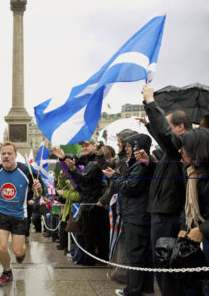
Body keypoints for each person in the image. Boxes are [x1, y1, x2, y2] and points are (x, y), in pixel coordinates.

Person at [142, 83, 192, 296]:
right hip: (162, 211)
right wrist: (150, 164)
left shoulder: (183, 145)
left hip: (169, 214)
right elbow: (162, 135)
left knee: (166, 265)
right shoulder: (173, 151)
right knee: (162, 263)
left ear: (180, 127)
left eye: (170, 126)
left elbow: (164, 134)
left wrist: (151, 102)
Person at [0, 141, 41, 286]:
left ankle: (22, 252)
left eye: (9, 153)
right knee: (1, 247)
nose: (6, 156)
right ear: (0, 155)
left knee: (17, 251)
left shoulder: (26, 170)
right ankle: (6, 271)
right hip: (1, 214)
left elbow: (39, 192)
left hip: (20, 215)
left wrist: (37, 188)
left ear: (15, 155)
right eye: (3, 153)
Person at [103, 133, 154, 296]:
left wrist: (115, 177)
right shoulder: (137, 164)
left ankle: (132, 290)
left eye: (129, 146)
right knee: (142, 254)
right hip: (137, 213)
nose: (126, 149)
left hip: (136, 214)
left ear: (138, 147)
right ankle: (145, 287)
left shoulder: (139, 166)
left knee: (135, 254)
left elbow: (130, 187)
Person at [52, 139, 110, 265]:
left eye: (86, 145)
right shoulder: (88, 158)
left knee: (93, 234)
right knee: (92, 233)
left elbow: (82, 182)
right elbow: (76, 158)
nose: (83, 147)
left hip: (94, 203)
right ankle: (98, 259)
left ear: (95, 146)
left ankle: (92, 261)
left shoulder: (95, 163)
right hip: (90, 201)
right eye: (82, 146)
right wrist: (63, 156)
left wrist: (72, 169)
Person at [178, 128, 209, 294]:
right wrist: (185, 227)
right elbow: (187, 205)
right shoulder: (191, 172)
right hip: (196, 237)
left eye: (185, 146)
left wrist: (203, 230)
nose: (181, 151)